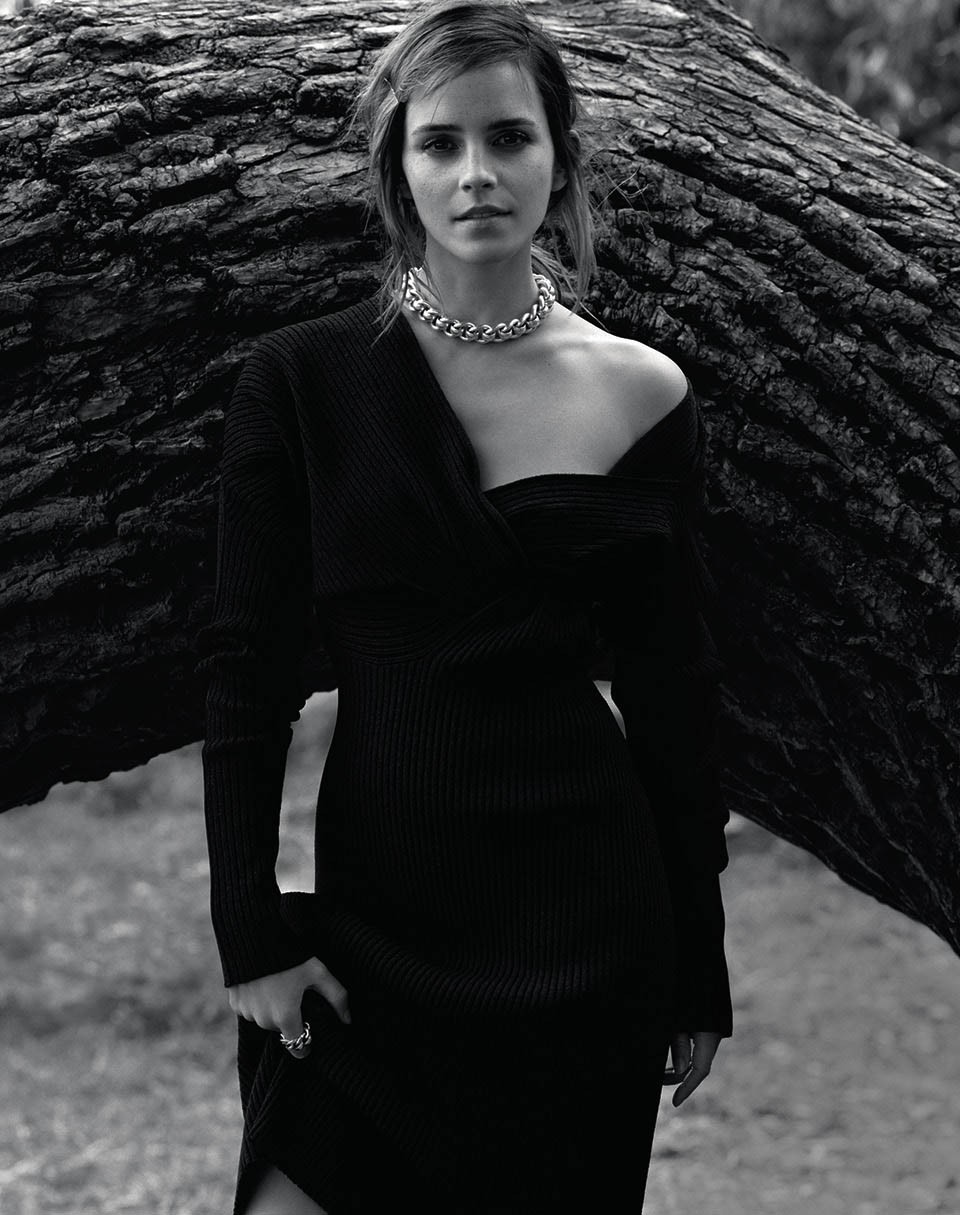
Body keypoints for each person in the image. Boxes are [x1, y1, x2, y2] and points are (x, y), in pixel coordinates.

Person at [198, 1, 733, 1212]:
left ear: (561, 159)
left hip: (588, 929)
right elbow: (246, 669)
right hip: (376, 924)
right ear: (399, 171)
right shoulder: (302, 380)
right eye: (440, 143)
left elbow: (674, 697)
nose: (477, 172)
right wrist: (249, 929)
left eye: (509, 137)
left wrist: (696, 962)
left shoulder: (645, 392)